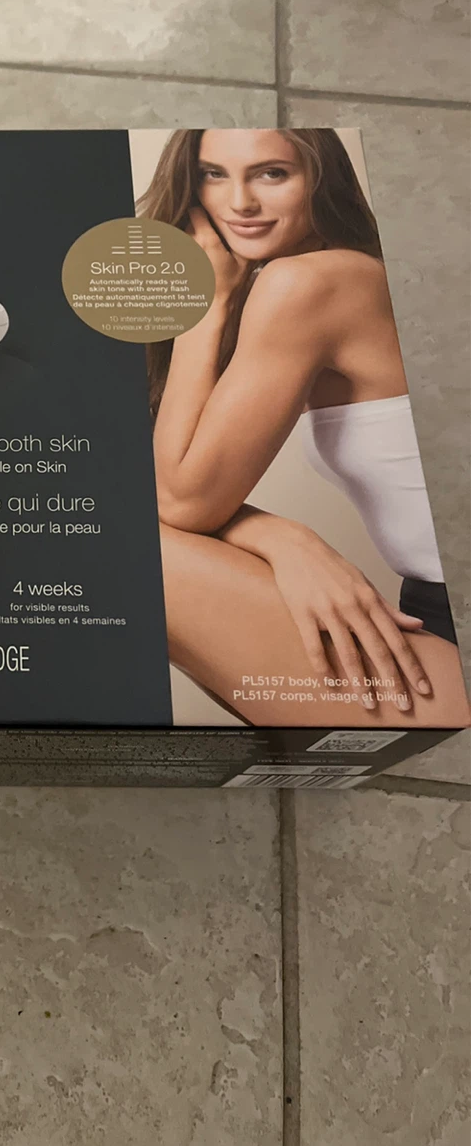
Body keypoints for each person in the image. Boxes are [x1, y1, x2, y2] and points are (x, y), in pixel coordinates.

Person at [141, 128, 469, 728]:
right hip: (429, 607)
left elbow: (182, 501)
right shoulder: (345, 276)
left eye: (272, 173)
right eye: (214, 174)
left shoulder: (312, 282)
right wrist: (283, 539)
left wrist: (206, 308)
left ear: (320, 179)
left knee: (125, 548)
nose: (240, 202)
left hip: (448, 622)